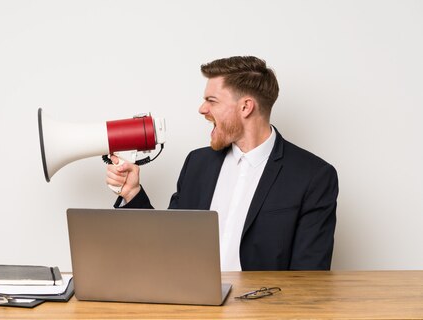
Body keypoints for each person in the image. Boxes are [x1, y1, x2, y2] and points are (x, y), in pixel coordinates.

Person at [106, 56, 338, 271]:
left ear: (245, 107)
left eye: (211, 100)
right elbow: (168, 245)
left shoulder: (313, 176)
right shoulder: (197, 164)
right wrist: (132, 193)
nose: (202, 109)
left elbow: (308, 278)